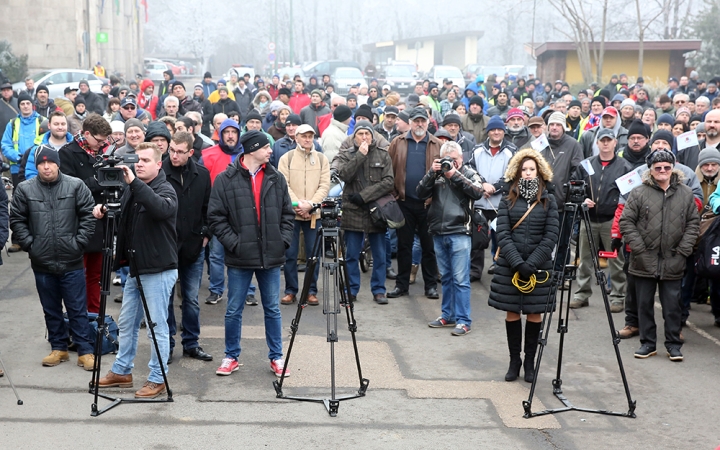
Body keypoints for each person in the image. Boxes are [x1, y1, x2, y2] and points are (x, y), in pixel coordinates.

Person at [94, 142, 179, 398]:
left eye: (145, 160)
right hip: (136, 266)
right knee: (128, 322)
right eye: (136, 159)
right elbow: (126, 220)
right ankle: (122, 370)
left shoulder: (166, 189)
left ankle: (158, 377)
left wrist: (134, 184)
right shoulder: (133, 189)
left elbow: (160, 208)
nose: (138, 164)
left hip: (159, 269)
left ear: (158, 164)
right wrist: (106, 210)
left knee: (156, 326)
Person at [208, 130, 294, 377]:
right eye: (266, 147)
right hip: (240, 256)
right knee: (234, 309)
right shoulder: (225, 179)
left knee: (272, 309)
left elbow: (287, 215)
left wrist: (282, 241)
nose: (270, 150)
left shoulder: (276, 178)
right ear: (252, 150)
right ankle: (230, 356)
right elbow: (215, 217)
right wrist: (234, 243)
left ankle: (276, 357)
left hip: (270, 255)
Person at [10, 146, 96, 370]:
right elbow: (17, 220)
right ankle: (59, 348)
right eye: (41, 163)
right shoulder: (25, 189)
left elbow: (88, 215)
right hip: (42, 261)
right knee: (50, 308)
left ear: (57, 163)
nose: (46, 167)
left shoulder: (76, 185)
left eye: (50, 162)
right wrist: (31, 245)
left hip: (72, 260)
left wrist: (79, 244)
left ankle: (85, 350)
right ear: (36, 165)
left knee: (77, 307)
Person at [620, 150, 699, 362]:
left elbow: (693, 224)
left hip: (674, 258)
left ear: (673, 167)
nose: (662, 171)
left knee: (673, 305)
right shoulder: (638, 192)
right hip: (643, 259)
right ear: (651, 170)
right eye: (658, 167)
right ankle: (647, 343)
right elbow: (626, 222)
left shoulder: (685, 193)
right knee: (644, 304)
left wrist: (683, 251)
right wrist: (639, 249)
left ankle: (673, 344)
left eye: (666, 167)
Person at [488, 148, 559, 382]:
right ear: (517, 172)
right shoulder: (508, 198)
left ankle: (529, 361)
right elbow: (503, 234)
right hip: (511, 266)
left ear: (539, 171)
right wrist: (518, 263)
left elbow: (551, 236)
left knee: (534, 312)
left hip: (538, 268)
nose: (528, 173)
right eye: (524, 169)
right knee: (512, 312)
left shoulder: (549, 200)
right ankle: (513, 361)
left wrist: (532, 263)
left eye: (532, 169)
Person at [418, 141, 484, 336]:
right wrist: (432, 172)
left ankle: (464, 320)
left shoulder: (469, 173)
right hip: (438, 231)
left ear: (461, 159)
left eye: (454, 159)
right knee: (446, 277)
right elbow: (419, 193)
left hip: (460, 232)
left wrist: (454, 175)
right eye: (447, 160)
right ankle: (448, 315)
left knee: (461, 279)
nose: (450, 163)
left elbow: (478, 192)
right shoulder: (436, 174)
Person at [161, 131, 213, 363]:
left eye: (180, 152)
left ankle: (191, 343)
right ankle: (168, 343)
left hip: (193, 245)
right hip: (167, 246)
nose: (174, 155)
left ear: (191, 152)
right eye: (172, 150)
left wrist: (205, 234)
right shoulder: (160, 171)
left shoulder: (201, 174)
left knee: (191, 299)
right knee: (166, 299)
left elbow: (208, 208)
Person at [569, 128, 632, 311]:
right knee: (584, 259)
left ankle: (618, 296)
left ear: (615, 143)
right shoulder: (586, 165)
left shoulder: (624, 166)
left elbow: (630, 194)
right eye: (602, 140)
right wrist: (582, 199)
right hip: (587, 219)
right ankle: (581, 294)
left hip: (611, 221)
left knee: (615, 260)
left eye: (608, 140)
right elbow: (574, 188)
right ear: (597, 143)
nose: (605, 143)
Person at [58, 114, 113, 313]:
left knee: (96, 276)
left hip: (102, 223)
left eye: (105, 141)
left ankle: (95, 317)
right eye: (99, 140)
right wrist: (100, 181)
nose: (102, 144)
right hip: (77, 224)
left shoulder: (105, 153)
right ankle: (77, 319)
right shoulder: (67, 153)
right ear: (86, 134)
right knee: (76, 276)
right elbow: (69, 188)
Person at [335, 120, 394, 304]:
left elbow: (388, 181)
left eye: (367, 134)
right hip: (353, 211)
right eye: (360, 134)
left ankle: (379, 290)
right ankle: (351, 290)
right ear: (354, 136)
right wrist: (360, 156)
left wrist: (364, 195)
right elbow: (344, 175)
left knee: (379, 254)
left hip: (376, 210)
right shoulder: (346, 154)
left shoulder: (383, 154)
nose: (364, 137)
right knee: (351, 254)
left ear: (372, 135)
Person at [387, 108, 441, 299]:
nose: (419, 124)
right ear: (410, 122)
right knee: (404, 246)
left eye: (422, 121)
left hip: (428, 204)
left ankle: (431, 286)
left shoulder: (437, 144)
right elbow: (389, 168)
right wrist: (394, 194)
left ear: (428, 122)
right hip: (404, 203)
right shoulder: (398, 142)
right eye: (416, 121)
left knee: (429, 247)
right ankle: (401, 286)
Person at [278, 124, 330, 306]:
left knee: (313, 255)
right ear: (297, 138)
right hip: (292, 214)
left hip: (314, 215)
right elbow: (283, 184)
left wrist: (311, 205)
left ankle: (311, 290)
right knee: (290, 255)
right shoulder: (287, 158)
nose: (308, 139)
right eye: (304, 136)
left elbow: (325, 185)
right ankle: (291, 290)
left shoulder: (322, 159)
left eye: (310, 136)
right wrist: (299, 204)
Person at [469, 115, 516, 280]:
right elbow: (470, 169)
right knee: (477, 239)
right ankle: (475, 270)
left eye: (499, 130)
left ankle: (500, 267)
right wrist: (482, 184)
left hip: (501, 203)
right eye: (493, 130)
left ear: (504, 131)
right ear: (488, 132)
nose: (496, 132)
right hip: (480, 202)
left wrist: (494, 187)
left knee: (502, 238)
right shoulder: (477, 150)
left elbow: (512, 175)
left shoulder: (512, 151)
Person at [1, 92, 42, 190]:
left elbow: (47, 142)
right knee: (20, 199)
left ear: (32, 105)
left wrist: (33, 157)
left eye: (28, 103)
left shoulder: (42, 121)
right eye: (22, 104)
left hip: (38, 167)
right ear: (19, 106)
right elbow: (5, 145)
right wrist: (18, 157)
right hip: (17, 168)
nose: (25, 106)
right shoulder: (12, 124)